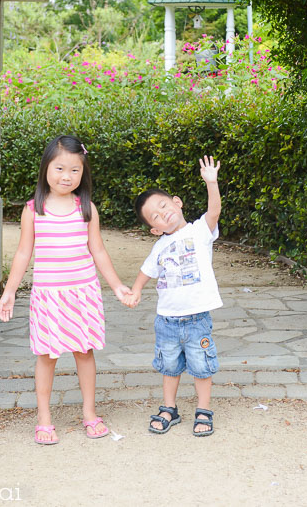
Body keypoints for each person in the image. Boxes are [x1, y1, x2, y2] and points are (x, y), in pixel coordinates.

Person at [0, 134, 131, 445]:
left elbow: (98, 250)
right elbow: (22, 253)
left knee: (84, 352)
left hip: (82, 294)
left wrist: (117, 286)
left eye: (75, 170)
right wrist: (10, 291)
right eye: (59, 168)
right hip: (48, 296)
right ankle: (44, 418)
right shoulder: (33, 210)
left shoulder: (87, 209)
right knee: (46, 355)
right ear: (46, 168)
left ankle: (89, 412)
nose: (66, 176)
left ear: (82, 174)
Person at [125, 156, 222, 437]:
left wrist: (211, 183)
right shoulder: (160, 246)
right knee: (169, 367)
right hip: (166, 321)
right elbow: (146, 271)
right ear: (155, 229)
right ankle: (169, 408)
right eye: (155, 216)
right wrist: (136, 290)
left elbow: (214, 211)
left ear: (177, 202)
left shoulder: (199, 231)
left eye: (163, 205)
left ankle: (203, 410)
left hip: (197, 320)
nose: (162, 213)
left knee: (202, 367)